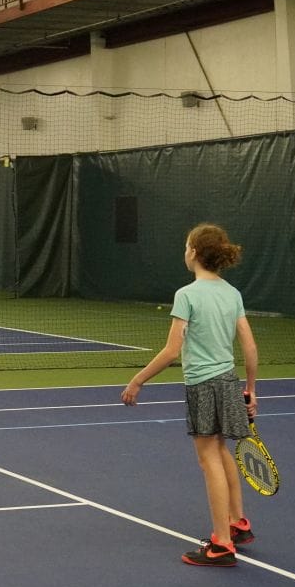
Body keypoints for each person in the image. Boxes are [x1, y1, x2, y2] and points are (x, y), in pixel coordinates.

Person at [121, 223, 260, 568]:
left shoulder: (187, 294)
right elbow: (250, 346)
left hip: (203, 385)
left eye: (186, 247)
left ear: (195, 253)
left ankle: (222, 544)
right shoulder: (232, 293)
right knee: (220, 450)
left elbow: (171, 351)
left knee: (207, 459)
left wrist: (137, 380)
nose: (184, 252)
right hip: (229, 381)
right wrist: (251, 390)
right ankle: (237, 523)